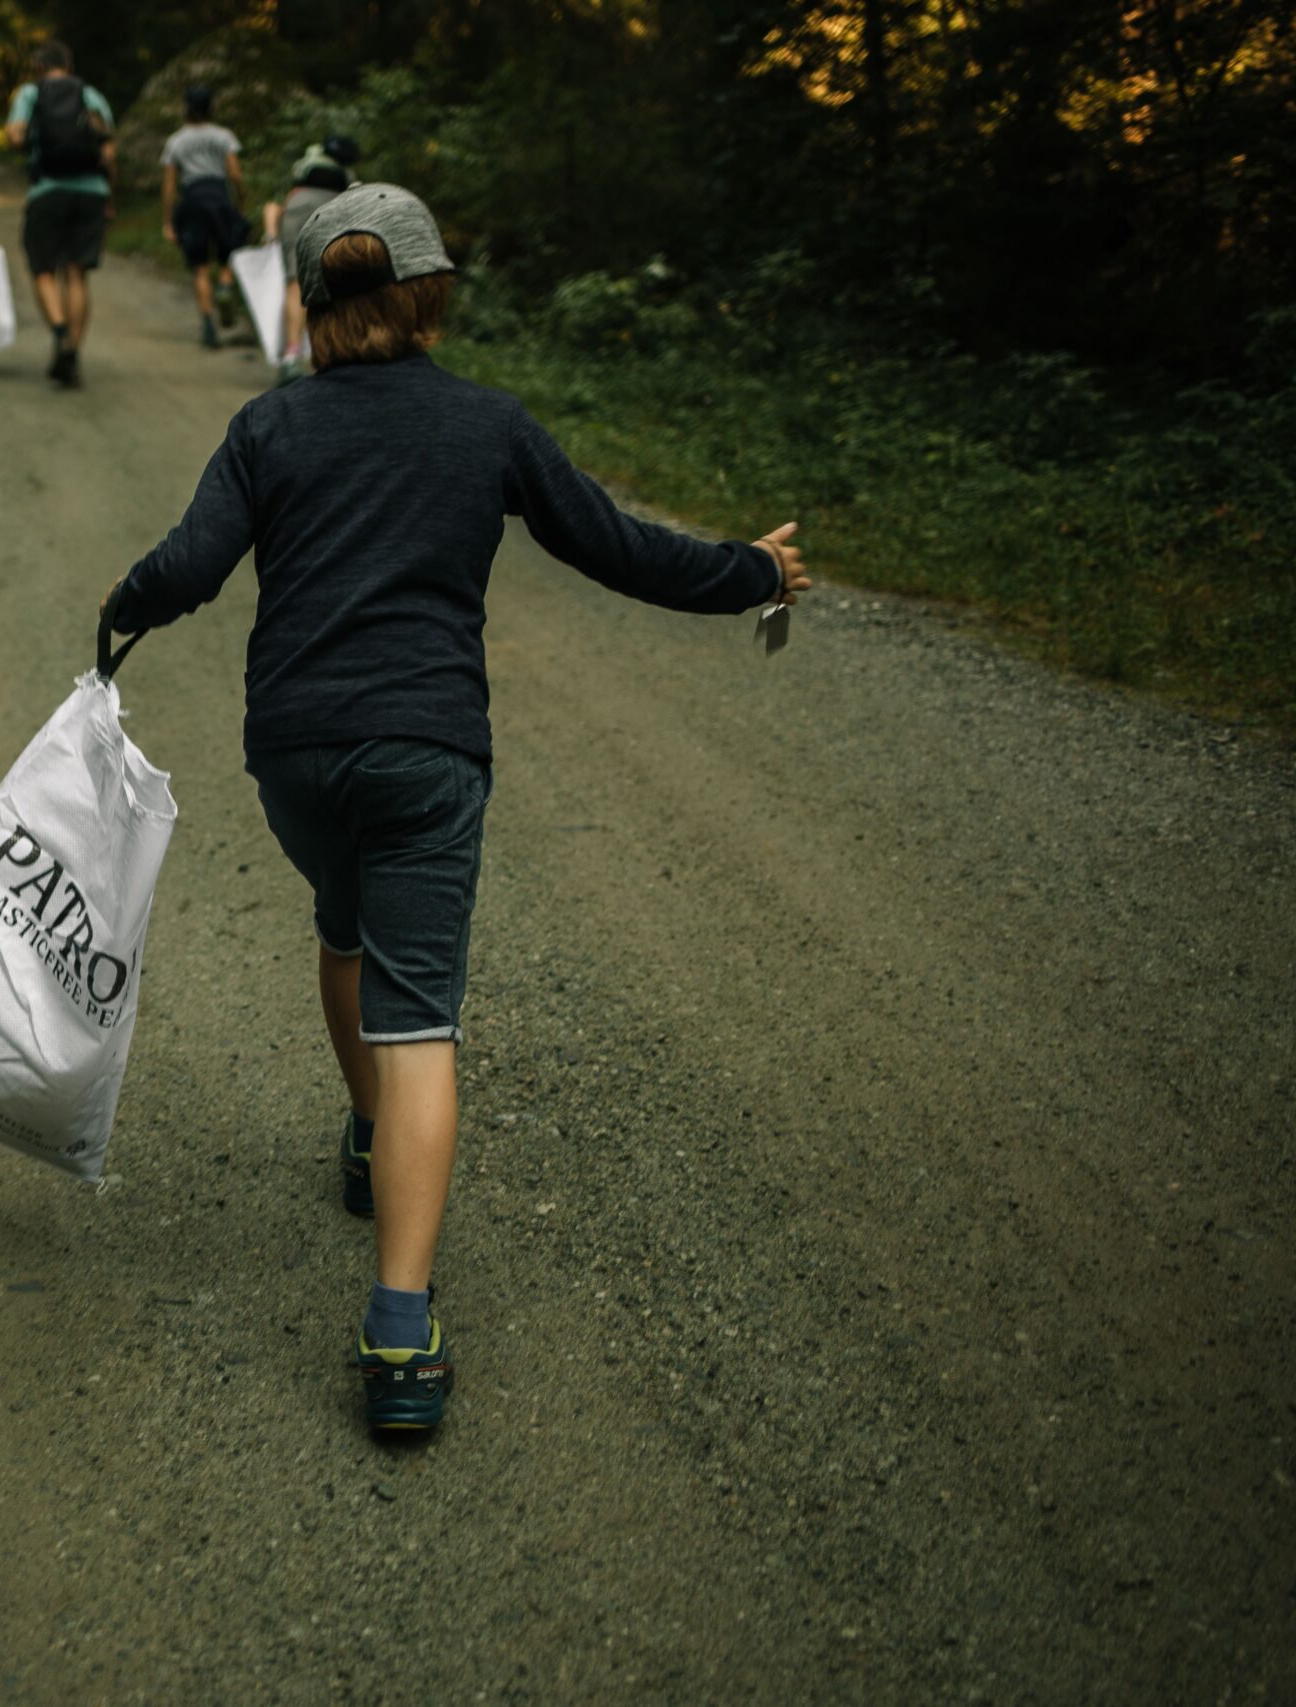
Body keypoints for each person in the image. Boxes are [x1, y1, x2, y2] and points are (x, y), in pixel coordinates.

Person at [96, 185, 811, 1435]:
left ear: (307, 308)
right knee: (418, 1012)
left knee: (340, 924)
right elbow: (615, 547)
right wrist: (750, 572)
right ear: (429, 295)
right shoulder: (485, 424)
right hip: (428, 751)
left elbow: (190, 568)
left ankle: (370, 1137)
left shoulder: (268, 431)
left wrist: (121, 610)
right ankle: (397, 1328)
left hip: (297, 755)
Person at [3, 41, 115, 388]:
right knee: (76, 274)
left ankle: (60, 331)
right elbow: (109, 149)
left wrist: (27, 143)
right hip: (90, 191)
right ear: (69, 64)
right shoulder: (90, 93)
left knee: (41, 270)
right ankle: (73, 352)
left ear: (39, 67)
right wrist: (109, 195)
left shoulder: (30, 93)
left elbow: (14, 135)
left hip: (47, 191)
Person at [259, 135, 360, 385]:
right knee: (333, 281)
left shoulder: (308, 162)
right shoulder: (348, 175)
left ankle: (292, 356)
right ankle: (330, 355)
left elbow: (289, 194)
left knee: (295, 285)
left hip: (299, 206)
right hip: (337, 207)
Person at [160, 86, 248, 349]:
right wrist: (240, 202)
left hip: (193, 200)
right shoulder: (224, 136)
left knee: (199, 266)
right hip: (219, 197)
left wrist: (168, 220)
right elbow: (235, 174)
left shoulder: (176, 141)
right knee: (227, 254)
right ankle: (224, 285)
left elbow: (169, 185)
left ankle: (208, 322)